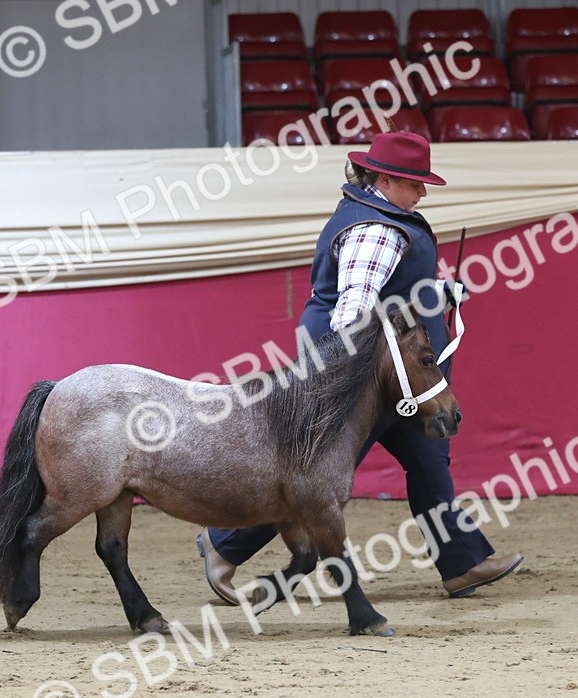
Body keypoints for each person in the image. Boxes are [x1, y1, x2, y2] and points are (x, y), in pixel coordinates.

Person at [196, 131, 523, 604]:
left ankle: (462, 563)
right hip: (364, 371)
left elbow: (392, 290)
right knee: (319, 473)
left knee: (428, 459)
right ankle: (222, 543)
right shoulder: (377, 230)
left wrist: (438, 294)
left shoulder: (381, 213)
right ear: (387, 179)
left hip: (387, 371)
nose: (423, 192)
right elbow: (353, 309)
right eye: (416, 184)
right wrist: (345, 382)